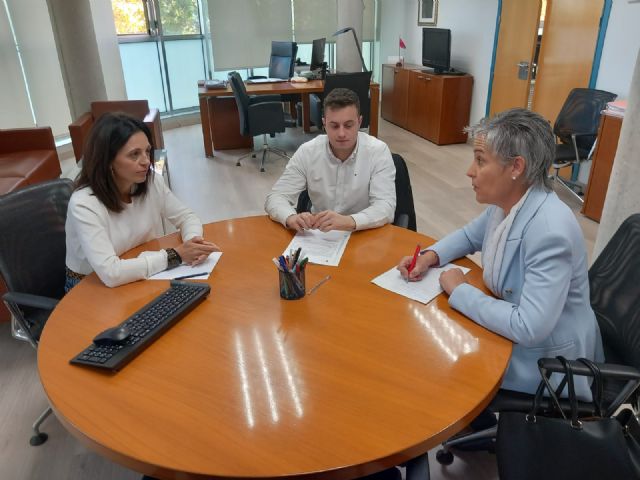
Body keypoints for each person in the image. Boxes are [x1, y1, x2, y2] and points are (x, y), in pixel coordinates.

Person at [398, 108, 603, 400]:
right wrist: (429, 257)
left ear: (516, 167)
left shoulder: (550, 231)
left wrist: (461, 290)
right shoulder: (510, 202)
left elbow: (528, 326)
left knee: (434, 370)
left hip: (546, 362)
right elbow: (469, 236)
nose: (470, 171)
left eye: (480, 160)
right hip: (513, 335)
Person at [65, 112, 219, 291]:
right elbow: (111, 273)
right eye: (134, 154)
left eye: (147, 151)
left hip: (141, 270)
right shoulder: (84, 204)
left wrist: (193, 244)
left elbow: (186, 217)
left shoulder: (151, 181)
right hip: (91, 285)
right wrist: (176, 255)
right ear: (108, 160)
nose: (146, 161)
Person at [265, 88, 396, 232]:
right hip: (320, 234)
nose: (341, 133)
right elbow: (276, 197)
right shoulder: (308, 152)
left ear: (359, 122)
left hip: (364, 231)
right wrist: (290, 217)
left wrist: (350, 221)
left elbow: (385, 206)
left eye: (348, 125)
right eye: (334, 126)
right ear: (324, 123)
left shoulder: (378, 151)